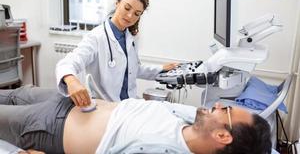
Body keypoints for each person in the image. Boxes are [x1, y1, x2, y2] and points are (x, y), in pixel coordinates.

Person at [0, 87, 272, 154]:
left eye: (225, 111)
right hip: (67, 99)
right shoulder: (187, 120)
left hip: (50, 127)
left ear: (223, 136)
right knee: (11, 93)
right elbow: (200, 112)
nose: (218, 104)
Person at [56, 0, 177, 107]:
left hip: (130, 102)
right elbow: (69, 62)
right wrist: (71, 80)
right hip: (108, 107)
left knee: (170, 112)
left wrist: (162, 69)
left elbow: (132, 69)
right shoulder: (96, 37)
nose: (130, 16)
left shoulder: (131, 37)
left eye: (137, 13)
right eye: (127, 8)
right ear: (117, 2)